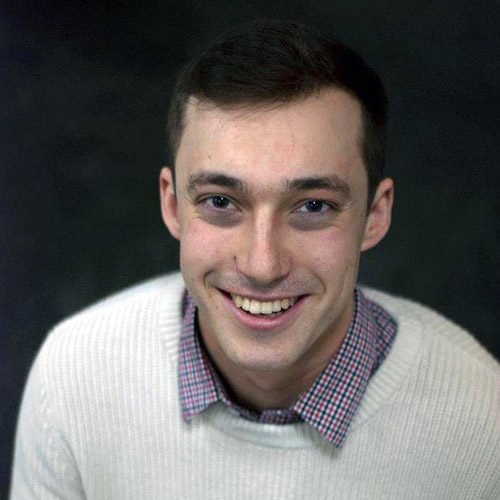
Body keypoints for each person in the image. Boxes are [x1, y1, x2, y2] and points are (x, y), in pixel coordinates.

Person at [11, 20, 499, 499]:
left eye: (313, 206)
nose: (262, 266)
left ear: (375, 215)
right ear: (172, 205)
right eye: (221, 201)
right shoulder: (73, 375)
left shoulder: (482, 423)